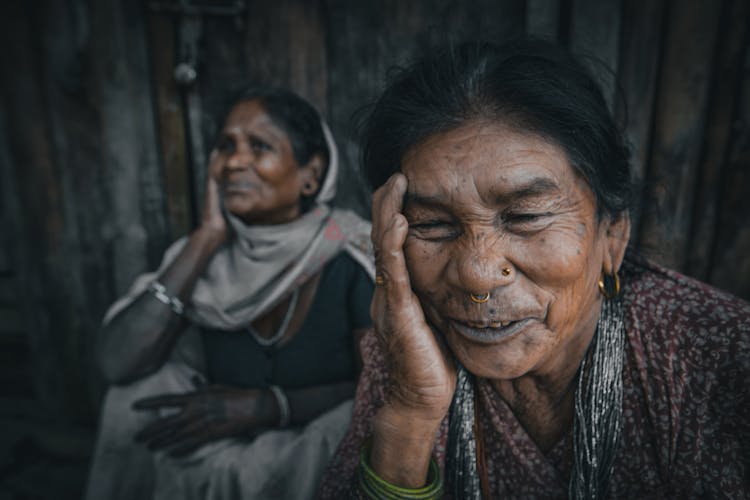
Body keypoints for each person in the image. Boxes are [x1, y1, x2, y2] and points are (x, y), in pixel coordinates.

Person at [318, 39, 750, 499]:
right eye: (431, 224)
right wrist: (411, 410)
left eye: (524, 218)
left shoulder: (717, 358)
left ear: (613, 237)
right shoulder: (408, 351)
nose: (477, 275)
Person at [85, 86, 375, 500]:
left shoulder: (352, 254)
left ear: (311, 175)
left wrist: (269, 406)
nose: (235, 161)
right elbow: (117, 364)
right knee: (135, 393)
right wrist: (206, 238)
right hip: (218, 442)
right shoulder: (203, 260)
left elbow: (385, 391)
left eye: (260, 146)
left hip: (309, 443)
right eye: (225, 146)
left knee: (354, 423)